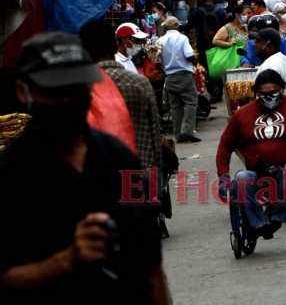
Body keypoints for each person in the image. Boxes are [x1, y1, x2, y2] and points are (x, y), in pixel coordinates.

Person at [0, 32, 169, 304]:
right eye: (54, 91)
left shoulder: (120, 159)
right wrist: (66, 260)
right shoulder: (11, 174)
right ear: (23, 91)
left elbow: (150, 263)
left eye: (76, 88)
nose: (67, 100)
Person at [216, 69, 286, 238]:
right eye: (263, 94)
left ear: (282, 89)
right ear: (256, 92)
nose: (269, 97)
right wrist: (223, 175)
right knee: (241, 178)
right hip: (259, 173)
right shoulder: (242, 115)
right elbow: (225, 145)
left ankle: (278, 217)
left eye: (274, 92)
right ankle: (259, 224)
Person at [79, 19, 162, 174]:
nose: (140, 43)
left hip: (99, 179)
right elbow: (154, 136)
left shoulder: (79, 89)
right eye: (137, 40)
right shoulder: (140, 84)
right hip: (138, 176)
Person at [158, 16, 201, 143]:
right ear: (177, 26)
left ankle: (178, 134)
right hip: (184, 75)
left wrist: (165, 71)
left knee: (175, 106)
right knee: (191, 102)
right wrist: (195, 61)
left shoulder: (160, 40)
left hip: (170, 77)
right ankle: (187, 131)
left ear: (166, 28)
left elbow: (156, 60)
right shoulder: (182, 38)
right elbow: (189, 55)